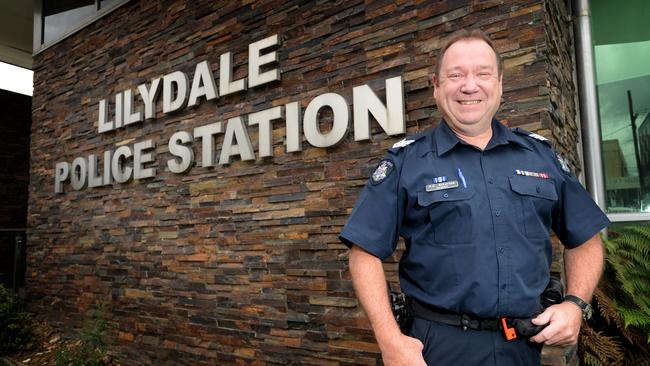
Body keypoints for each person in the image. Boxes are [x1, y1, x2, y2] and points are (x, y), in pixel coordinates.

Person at [339, 29, 610, 366]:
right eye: (456, 75)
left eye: (483, 74)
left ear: (499, 84)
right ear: (436, 87)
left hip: (523, 347)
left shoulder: (540, 157)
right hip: (437, 347)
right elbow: (363, 251)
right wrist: (390, 339)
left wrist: (574, 305)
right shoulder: (406, 162)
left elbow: (586, 237)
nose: (470, 86)